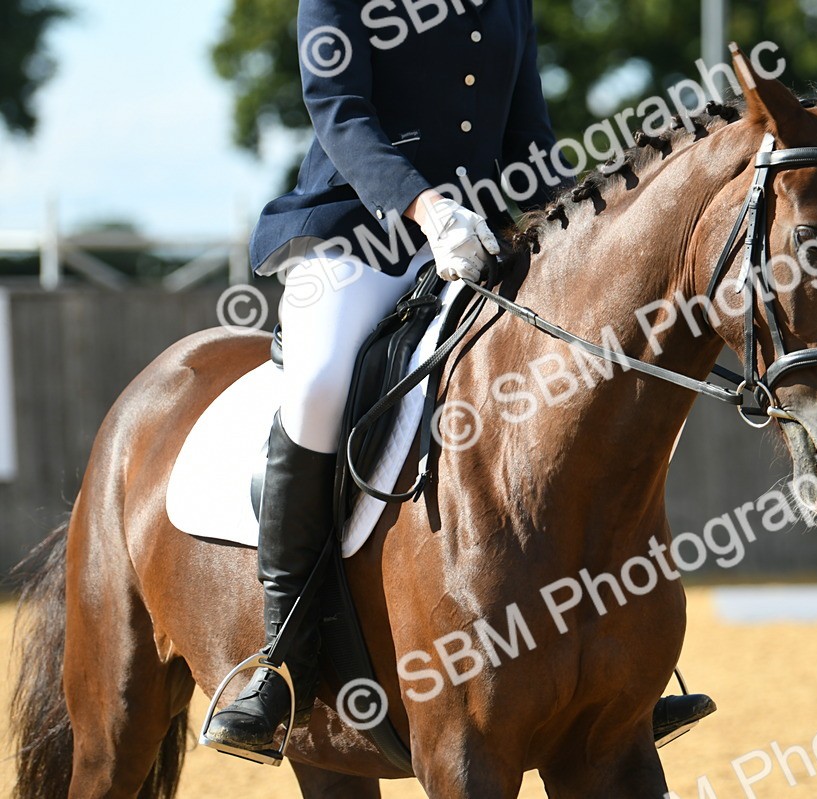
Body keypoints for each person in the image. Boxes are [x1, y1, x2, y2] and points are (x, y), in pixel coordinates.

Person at [204, 0, 712, 752]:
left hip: (482, 237)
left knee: (585, 360)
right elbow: (339, 111)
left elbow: (528, 136)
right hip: (358, 236)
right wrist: (425, 206)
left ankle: (619, 664)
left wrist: (572, 229)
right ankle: (281, 657)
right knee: (317, 386)